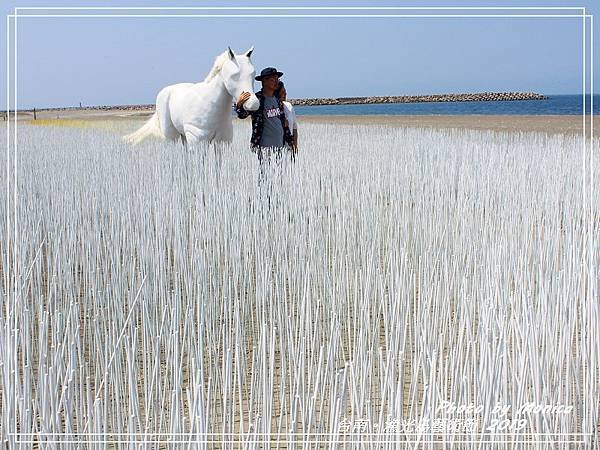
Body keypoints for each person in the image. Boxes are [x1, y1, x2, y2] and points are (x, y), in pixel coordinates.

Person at [235, 67, 294, 162]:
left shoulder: (277, 100)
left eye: (277, 79)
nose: (276, 82)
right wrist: (239, 104)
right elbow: (242, 115)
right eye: (273, 79)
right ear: (264, 81)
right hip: (264, 148)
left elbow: (283, 122)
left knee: (278, 175)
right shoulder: (257, 100)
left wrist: (290, 140)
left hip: (280, 147)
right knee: (265, 175)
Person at [274, 81, 298, 155]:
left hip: (289, 148)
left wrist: (295, 145)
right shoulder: (271, 108)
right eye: (282, 92)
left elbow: (294, 128)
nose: (285, 94)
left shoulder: (289, 106)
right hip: (275, 149)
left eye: (285, 92)